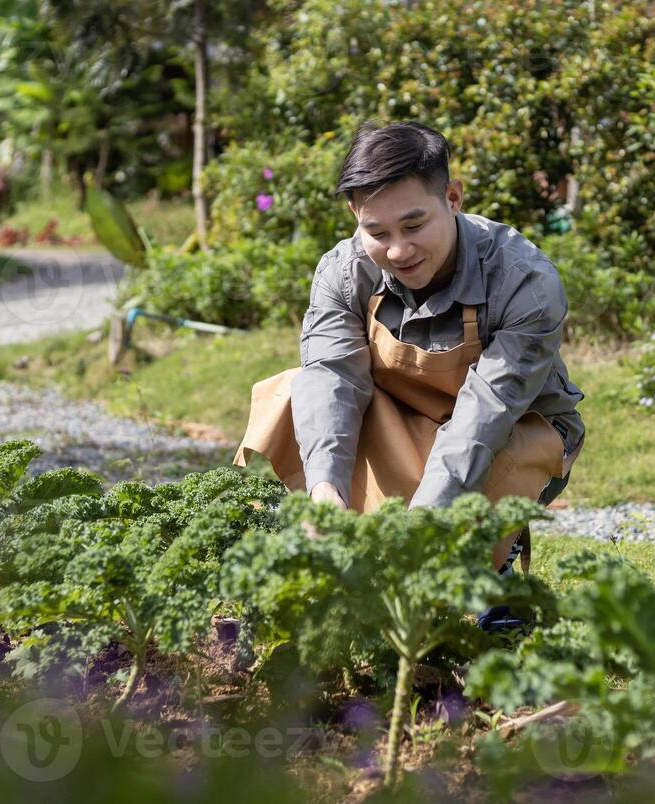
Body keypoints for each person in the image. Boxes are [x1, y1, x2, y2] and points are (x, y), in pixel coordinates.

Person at [233, 121, 585, 625]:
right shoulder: (343, 271)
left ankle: (492, 573)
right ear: (355, 217)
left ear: (453, 198)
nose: (398, 251)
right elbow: (333, 376)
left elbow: (484, 418)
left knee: (501, 465)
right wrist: (324, 493)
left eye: (414, 226)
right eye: (377, 233)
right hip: (403, 423)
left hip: (511, 431)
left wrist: (418, 527)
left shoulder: (523, 280)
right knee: (297, 391)